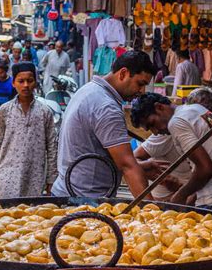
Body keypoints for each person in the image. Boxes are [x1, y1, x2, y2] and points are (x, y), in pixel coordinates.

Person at [52, 51, 162, 198]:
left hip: (69, 191)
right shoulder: (106, 107)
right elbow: (127, 166)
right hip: (83, 200)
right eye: (140, 84)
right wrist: (152, 213)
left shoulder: (89, 90)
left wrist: (140, 166)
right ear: (123, 73)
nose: (141, 91)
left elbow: (96, 151)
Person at [131, 93, 212, 218]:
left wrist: (180, 195)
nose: (155, 132)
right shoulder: (197, 109)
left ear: (159, 107)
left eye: (152, 124)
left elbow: (206, 169)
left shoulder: (176, 122)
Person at [133, 87, 212, 202]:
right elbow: (132, 160)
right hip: (170, 200)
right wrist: (146, 166)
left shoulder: (205, 129)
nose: (155, 132)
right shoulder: (168, 132)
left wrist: (182, 191)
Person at [0, 62, 57, 199]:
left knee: (30, 217)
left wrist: (51, 179)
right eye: (21, 81)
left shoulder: (45, 112)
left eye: (29, 81)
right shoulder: (5, 110)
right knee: (5, 217)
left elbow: (52, 148)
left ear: (35, 83)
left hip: (34, 178)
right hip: (6, 176)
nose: (25, 85)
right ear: (13, 83)